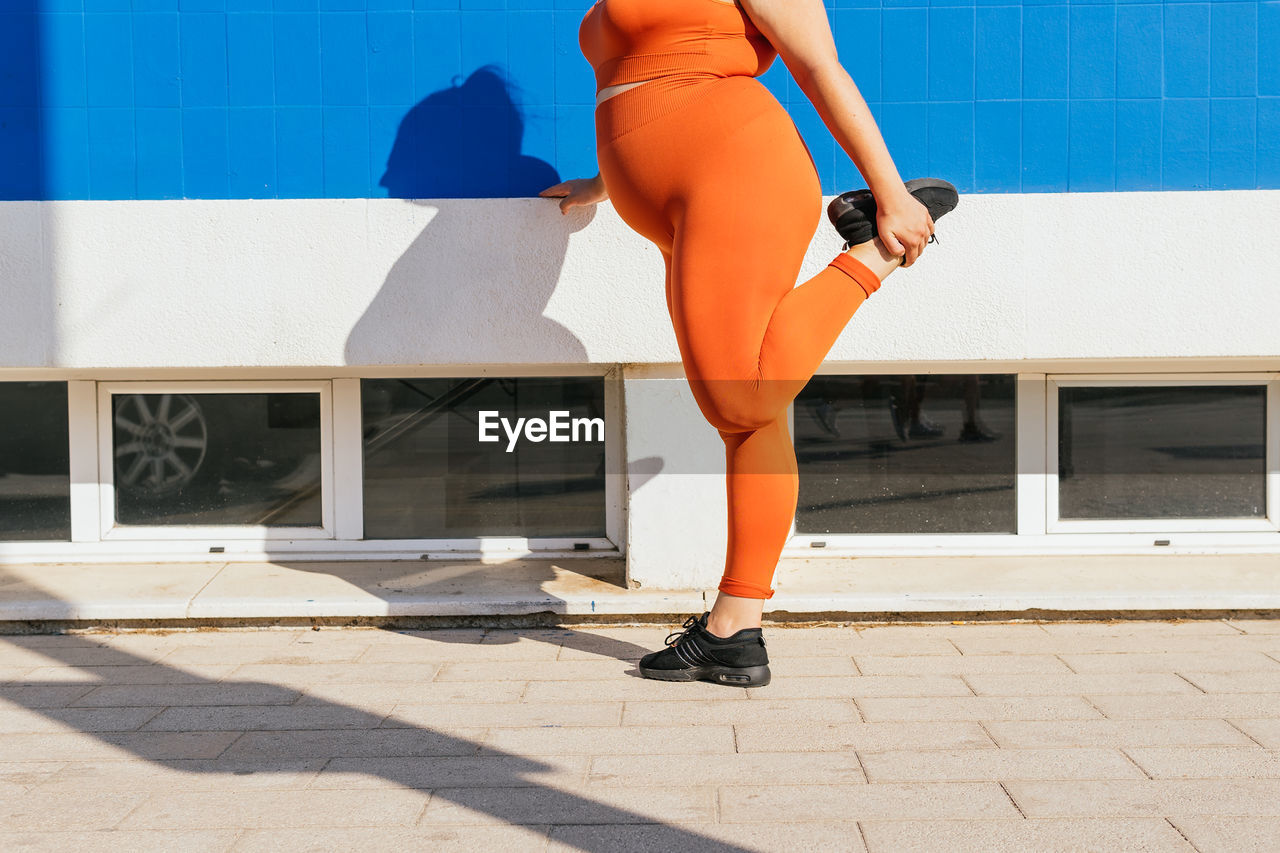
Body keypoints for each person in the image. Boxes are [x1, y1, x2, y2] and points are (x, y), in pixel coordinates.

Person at [540, 0, 959, 687]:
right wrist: (606, 180)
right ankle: (735, 631)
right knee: (749, 420)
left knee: (741, 395)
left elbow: (817, 65)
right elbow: (631, 78)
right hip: (681, 199)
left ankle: (870, 256)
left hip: (737, 168)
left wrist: (890, 193)